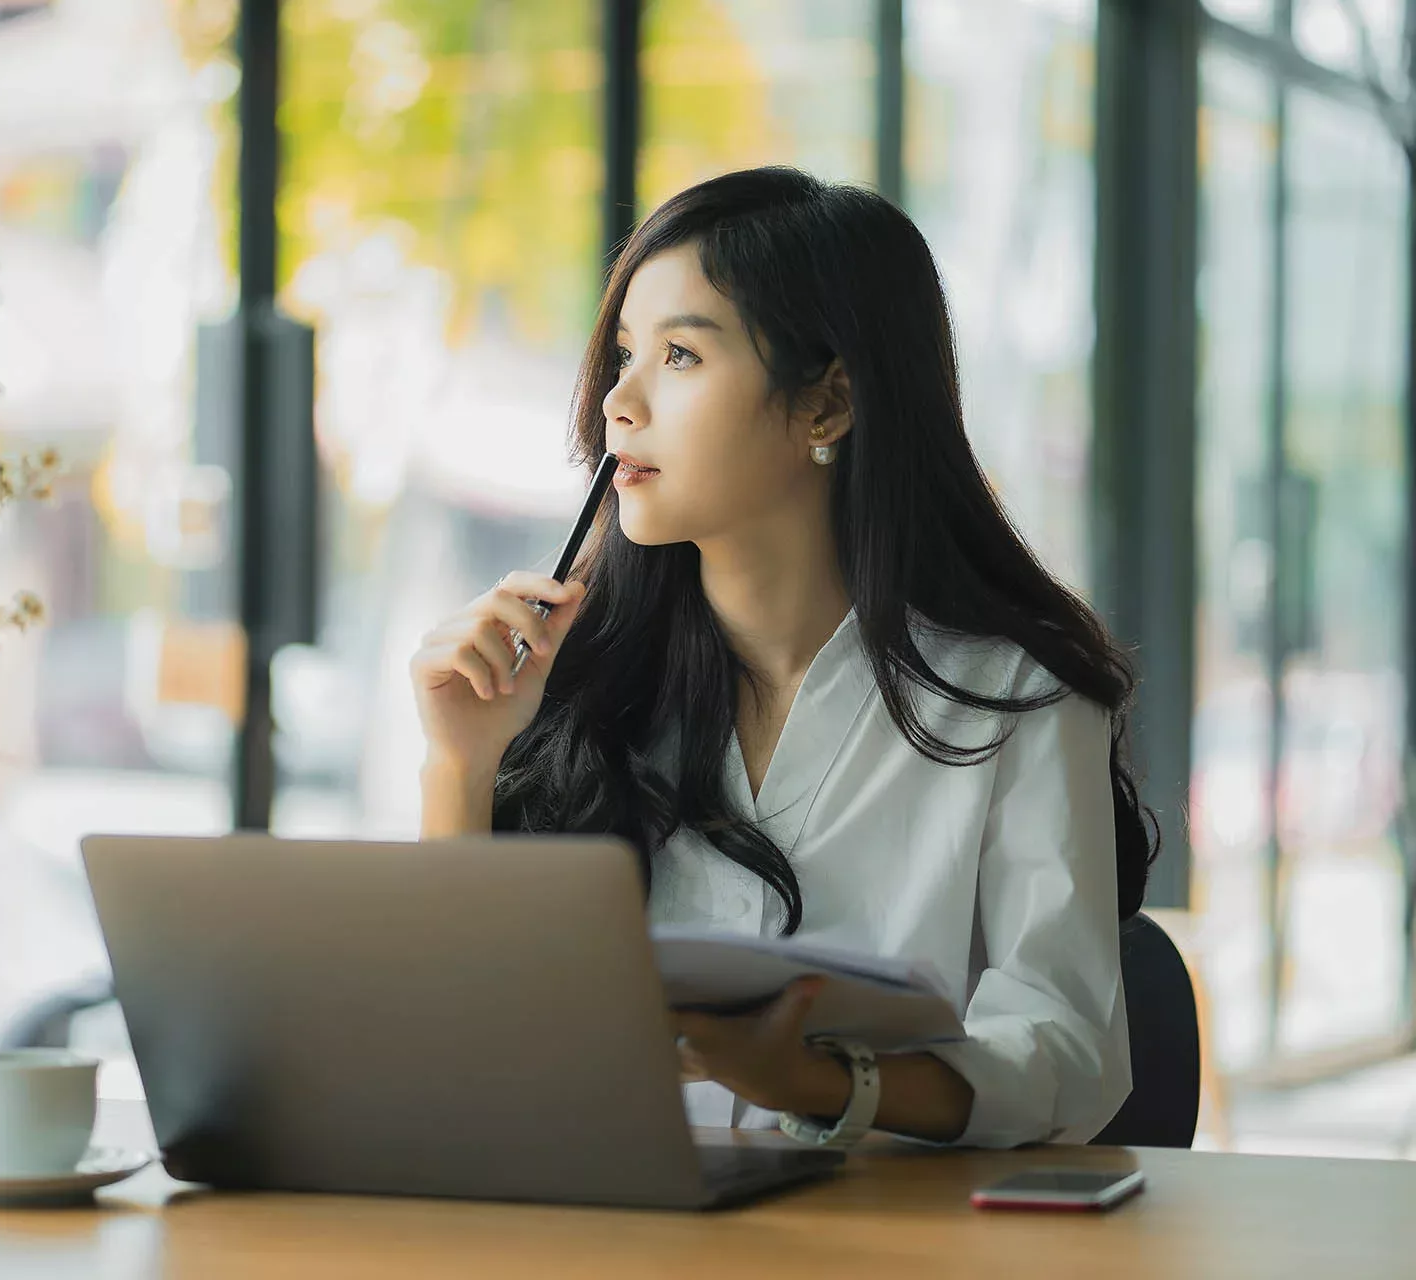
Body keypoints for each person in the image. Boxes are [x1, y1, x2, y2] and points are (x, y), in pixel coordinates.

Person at [408, 166, 1154, 1150]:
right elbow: (465, 1057)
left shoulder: (1016, 691)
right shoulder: (572, 682)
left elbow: (1064, 1057)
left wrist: (816, 1078)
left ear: (829, 403)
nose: (616, 404)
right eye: (625, 352)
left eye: (680, 355)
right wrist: (461, 765)